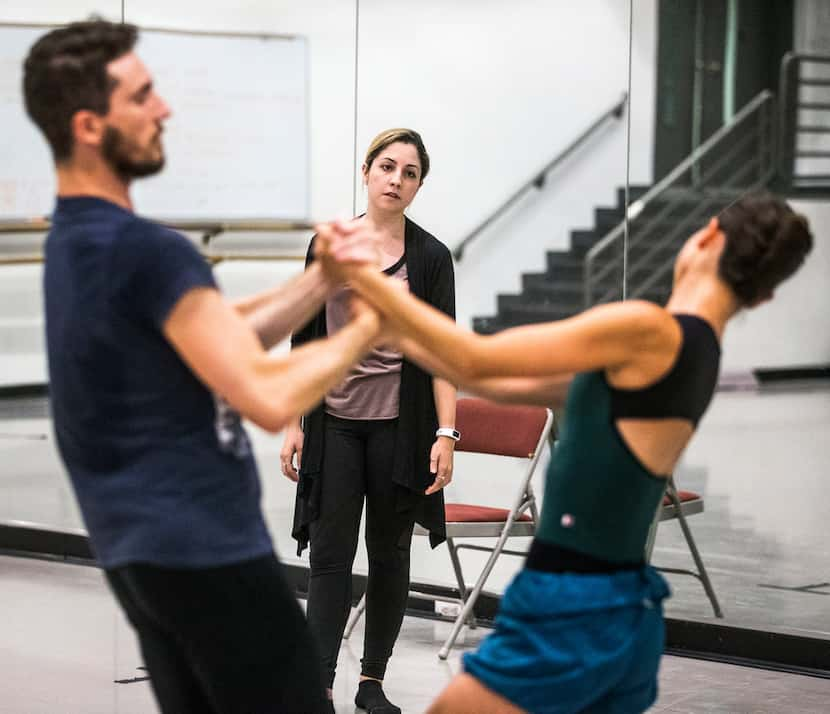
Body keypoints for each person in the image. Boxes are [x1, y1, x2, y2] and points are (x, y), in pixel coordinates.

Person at [318, 193, 814, 713]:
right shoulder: (694, 352)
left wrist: (365, 276)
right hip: (624, 609)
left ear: (707, 235)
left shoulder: (646, 330)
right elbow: (482, 376)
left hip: (572, 603)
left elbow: (476, 357)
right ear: (762, 298)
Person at [24, 19, 384, 714]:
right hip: (209, 553)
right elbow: (267, 395)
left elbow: (216, 335)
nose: (165, 109)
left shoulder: (75, 239)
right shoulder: (150, 252)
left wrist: (322, 281)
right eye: (144, 95)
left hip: (138, 557)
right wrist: (370, 323)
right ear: (90, 126)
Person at [281, 128, 457, 713]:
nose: (396, 180)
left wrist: (446, 434)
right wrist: (292, 422)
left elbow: (441, 352)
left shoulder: (431, 258)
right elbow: (304, 340)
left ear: (418, 186)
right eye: (387, 167)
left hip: (398, 432)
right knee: (332, 558)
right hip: (334, 427)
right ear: (366, 171)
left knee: (388, 557)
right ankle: (320, 684)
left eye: (409, 173)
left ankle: (371, 683)